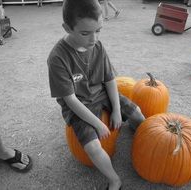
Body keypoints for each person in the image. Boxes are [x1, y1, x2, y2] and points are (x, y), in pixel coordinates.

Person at [47, 0, 145, 189]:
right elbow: (71, 100)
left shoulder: (98, 47)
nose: (94, 39)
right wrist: (98, 123)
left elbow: (109, 80)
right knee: (92, 147)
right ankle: (114, 180)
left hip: (101, 93)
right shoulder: (57, 58)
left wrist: (116, 109)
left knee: (138, 114)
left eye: (98, 30)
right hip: (79, 105)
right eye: (85, 33)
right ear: (67, 28)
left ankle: (144, 141)